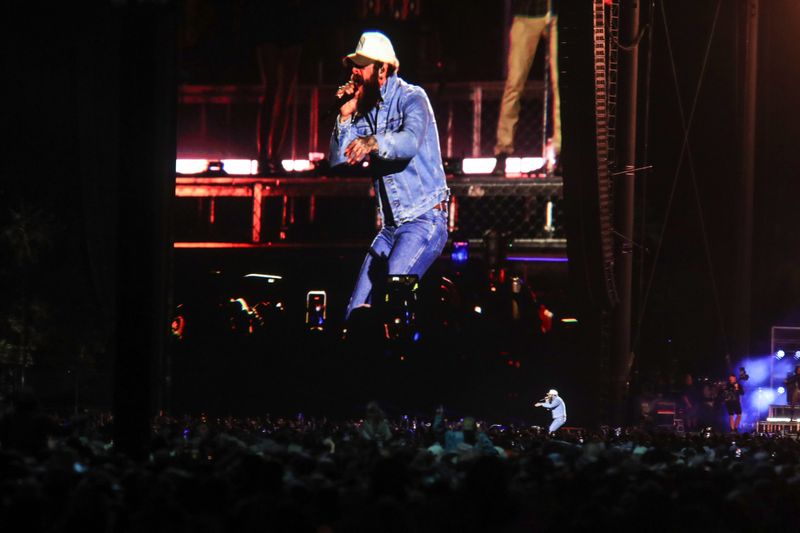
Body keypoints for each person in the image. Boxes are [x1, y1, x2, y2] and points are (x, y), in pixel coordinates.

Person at [329, 31, 450, 320]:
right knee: (355, 310)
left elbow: (408, 142)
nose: (355, 72)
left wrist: (373, 142)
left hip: (424, 220)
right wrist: (346, 114)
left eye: (363, 65)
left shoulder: (413, 98)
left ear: (383, 69)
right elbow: (336, 159)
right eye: (354, 66)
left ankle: (398, 360)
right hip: (391, 228)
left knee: (390, 299)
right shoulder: (364, 109)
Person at [493, 0, 561, 176]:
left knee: (560, 84)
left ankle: (561, 151)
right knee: (514, 83)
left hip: (557, 13)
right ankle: (503, 150)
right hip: (527, 13)